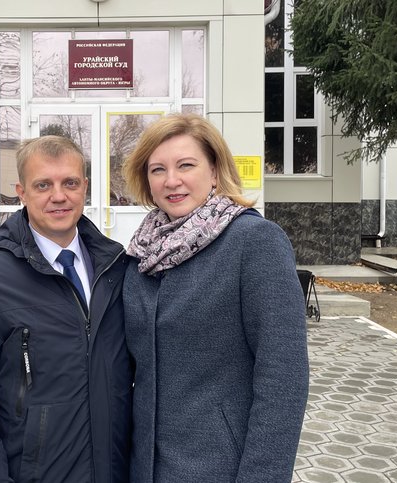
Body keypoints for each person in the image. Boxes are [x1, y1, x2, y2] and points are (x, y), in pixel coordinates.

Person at [121, 114, 309, 482]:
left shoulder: (255, 242)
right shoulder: (142, 253)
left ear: (214, 170)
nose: (171, 180)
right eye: (157, 169)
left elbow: (283, 376)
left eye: (185, 165)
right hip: (145, 467)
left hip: (221, 467)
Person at [0, 135, 132, 483]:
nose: (59, 196)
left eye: (70, 182)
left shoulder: (116, 268)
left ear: (84, 186)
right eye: (43, 185)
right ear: (21, 192)